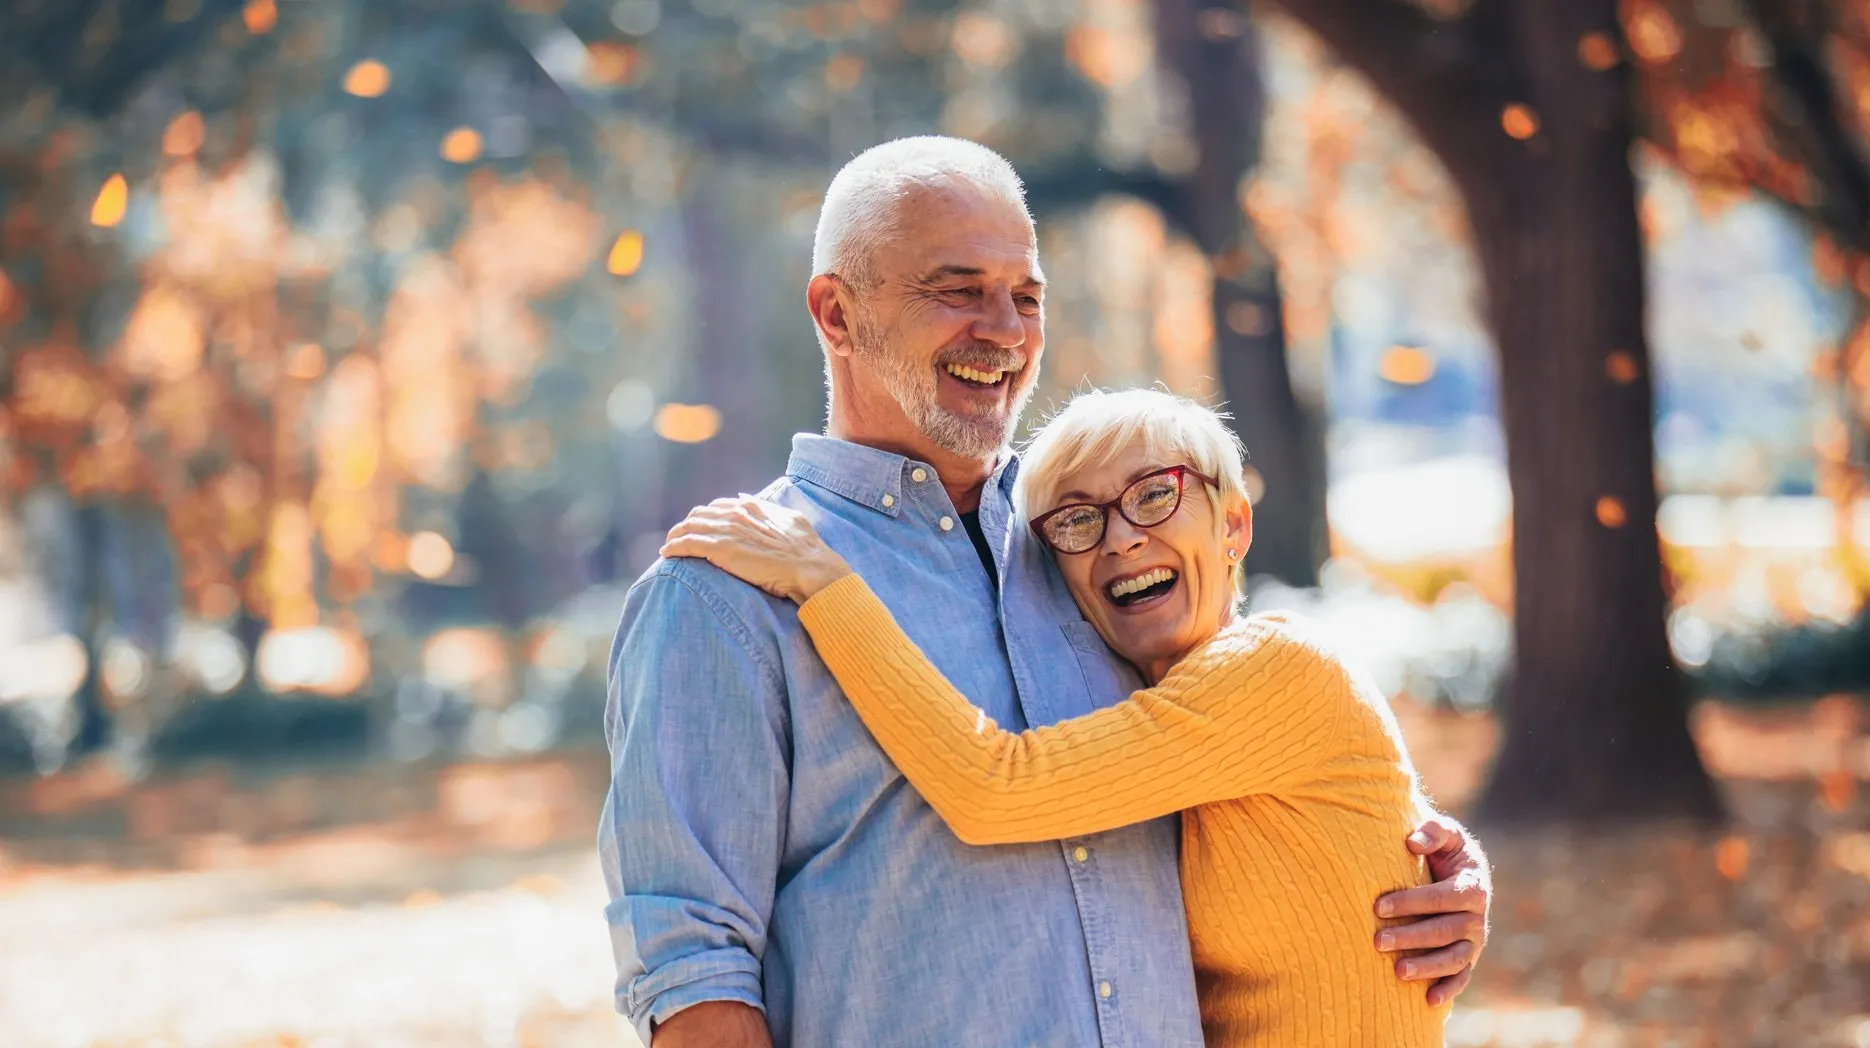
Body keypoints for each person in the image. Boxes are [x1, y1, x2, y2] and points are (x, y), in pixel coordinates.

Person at [599, 136, 1490, 1048]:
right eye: (957, 290)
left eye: (1026, 296)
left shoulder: (1094, 551)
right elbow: (693, 974)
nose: (1005, 329)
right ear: (836, 312)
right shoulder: (726, 592)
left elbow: (1259, 763)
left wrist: (1432, 866)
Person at [663, 388, 1447, 1046]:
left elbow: (994, 787)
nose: (1121, 538)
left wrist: (824, 582)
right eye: (1077, 520)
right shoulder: (1145, 713)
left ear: (1233, 525)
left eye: (1154, 494)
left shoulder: (1277, 670)